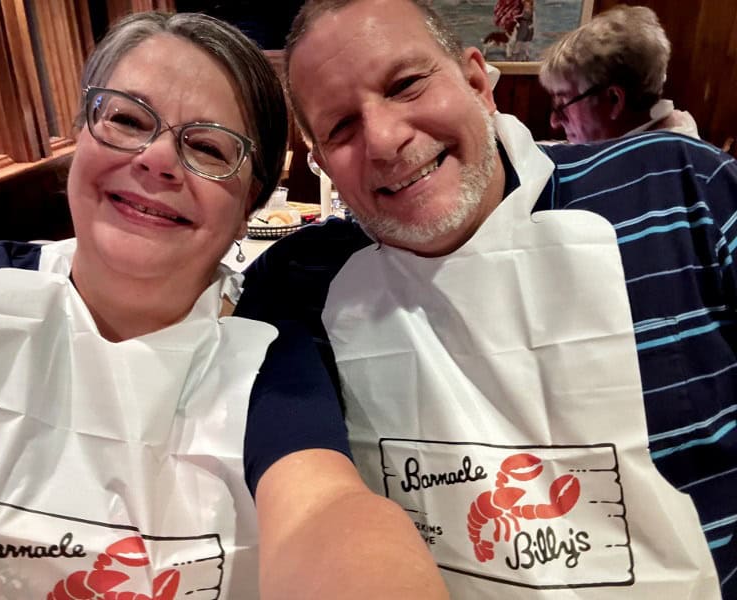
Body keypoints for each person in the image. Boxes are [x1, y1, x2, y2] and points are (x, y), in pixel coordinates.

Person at [0, 11, 449, 600]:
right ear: (80, 136)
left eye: (207, 147)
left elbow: (327, 511)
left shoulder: (270, 364)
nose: (156, 159)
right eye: (127, 119)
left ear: (251, 204)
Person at [237, 0, 737, 597]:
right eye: (341, 127)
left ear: (478, 81)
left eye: (405, 84)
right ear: (322, 164)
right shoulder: (297, 279)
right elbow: (309, 496)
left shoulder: (683, 186)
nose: (385, 140)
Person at [538, 4, 699, 143]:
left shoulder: (643, 170)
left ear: (614, 100)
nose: (555, 121)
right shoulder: (675, 131)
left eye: (562, 104)